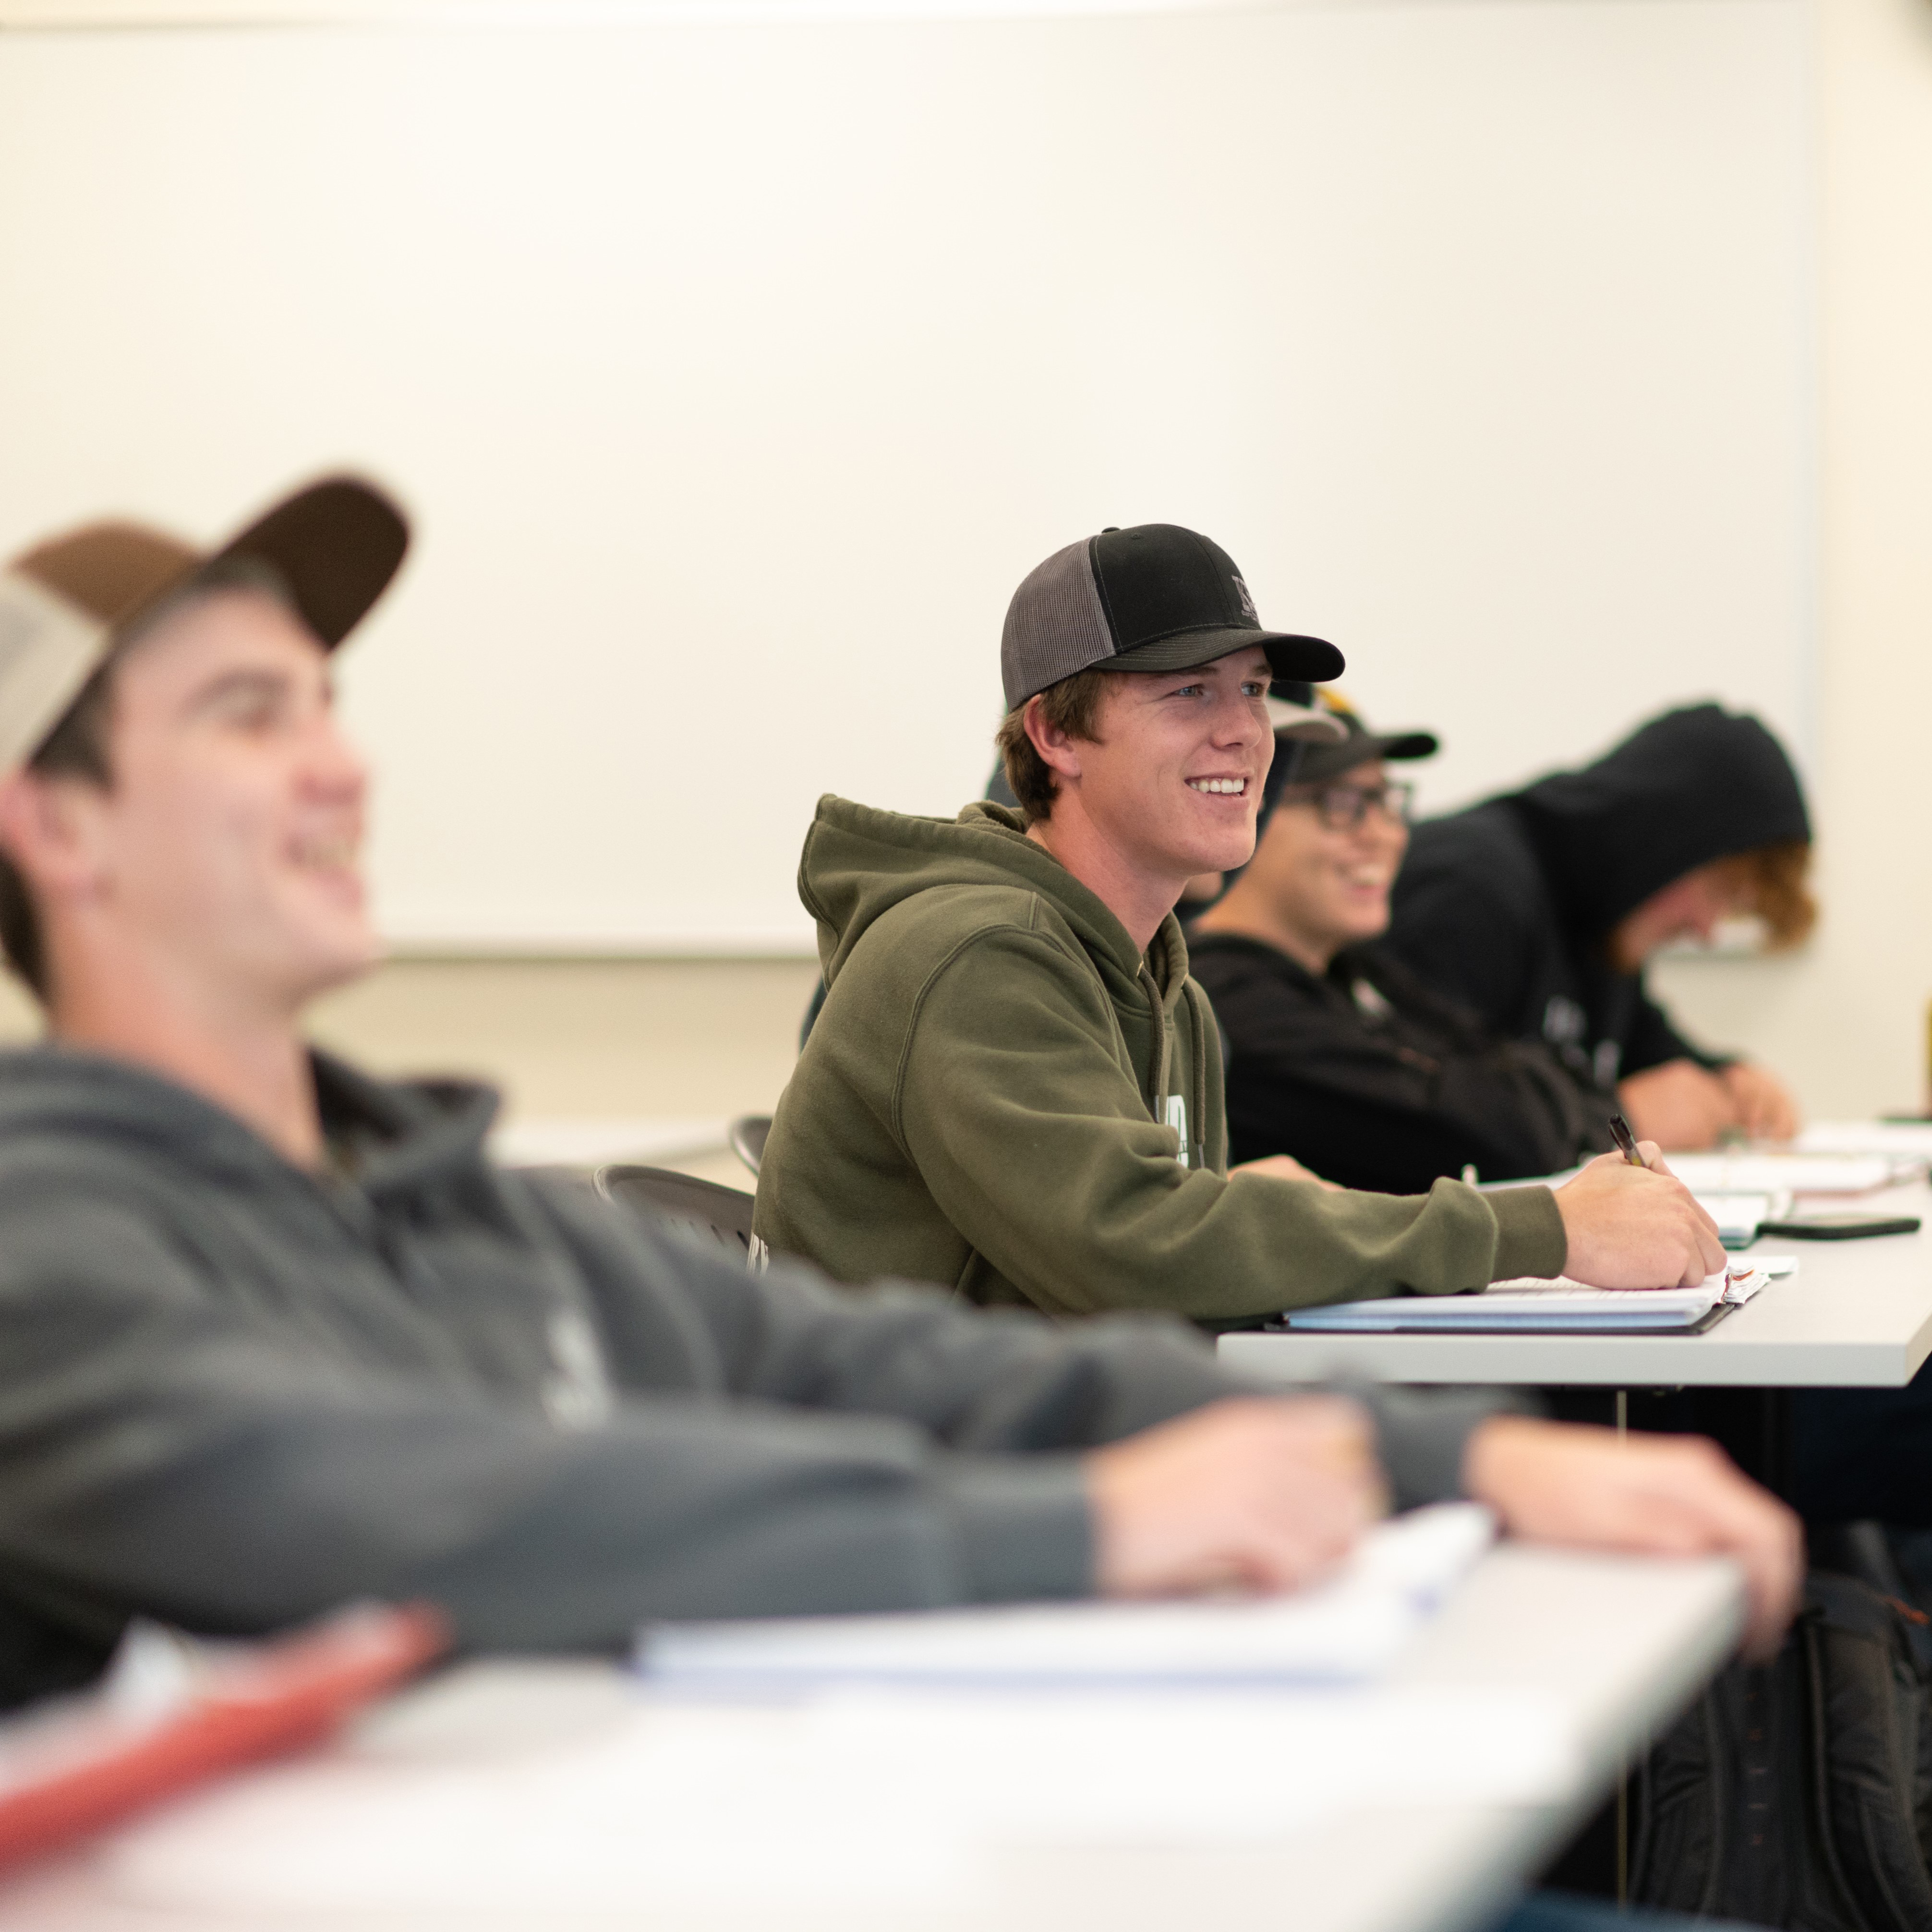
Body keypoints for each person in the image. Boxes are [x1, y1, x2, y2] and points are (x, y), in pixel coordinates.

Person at [0, 481, 1798, 1726]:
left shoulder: (436, 1194)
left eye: (326, 701)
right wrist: (1089, 1520)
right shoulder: (47, 1247)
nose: (342, 758)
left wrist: (1448, 1452)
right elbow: (434, 1514)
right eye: (249, 713)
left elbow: (905, 1367)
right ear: (53, 819)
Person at [754, 522, 1726, 1325]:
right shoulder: (974, 952)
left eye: (1252, 690)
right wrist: (1542, 1226)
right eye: (1187, 691)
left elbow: (1183, 1288)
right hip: (917, 1506)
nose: (1243, 731)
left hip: (1066, 1463)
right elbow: (1131, 1251)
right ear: (1054, 733)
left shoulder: (1167, 991)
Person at [1189, 700, 1617, 1193]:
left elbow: (1578, 1094)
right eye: (1343, 805)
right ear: (1248, 810)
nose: (1384, 835)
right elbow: (1502, 1141)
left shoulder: (1355, 974)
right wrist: (1534, 1098)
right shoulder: (1230, 1003)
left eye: (1385, 801)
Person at [1383, 706, 1815, 1150]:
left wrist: (1728, 1077)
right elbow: (1416, 1112)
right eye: (1719, 890)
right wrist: (1618, 1117)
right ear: (1663, 840)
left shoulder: (1607, 927)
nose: (1707, 930)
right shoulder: (1470, 888)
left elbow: (1647, 1051)